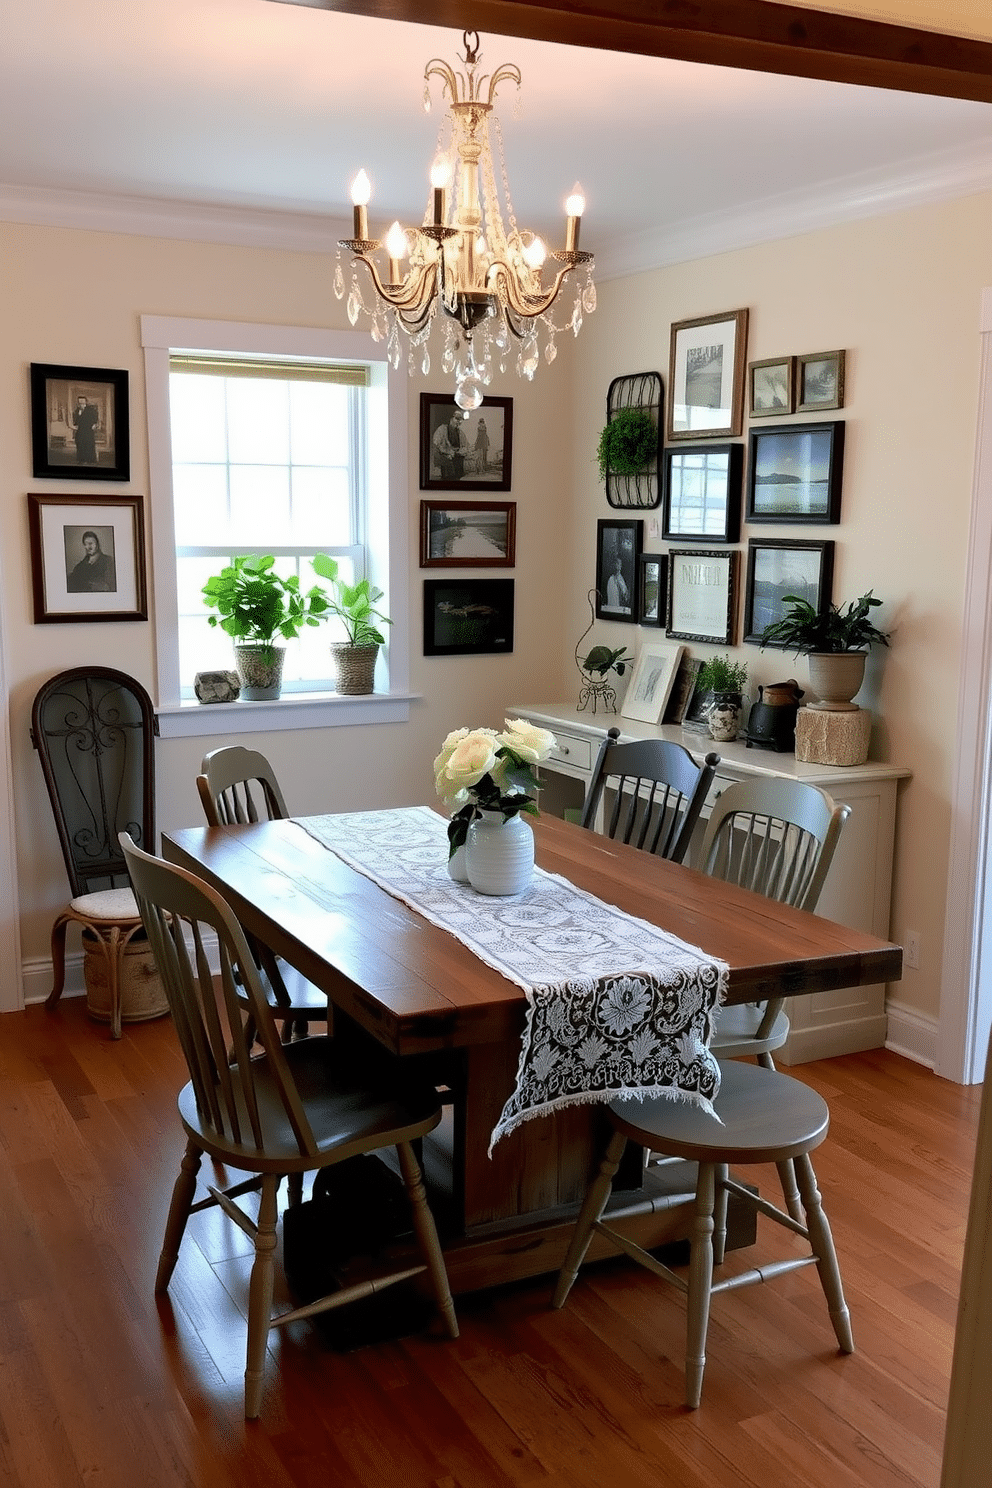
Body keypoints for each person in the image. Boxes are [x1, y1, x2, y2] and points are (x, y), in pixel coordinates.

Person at [432, 413, 466, 481]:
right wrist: (448, 451)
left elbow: (464, 445)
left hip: (457, 458)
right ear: (451, 419)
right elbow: (436, 443)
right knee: (448, 479)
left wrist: (460, 451)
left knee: (458, 478)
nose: (458, 421)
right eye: (456, 419)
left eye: (460, 420)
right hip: (446, 458)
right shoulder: (442, 429)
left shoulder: (460, 432)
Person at [71, 395, 100, 465]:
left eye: (82, 401)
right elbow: (76, 420)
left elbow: (96, 417)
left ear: (85, 401)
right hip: (80, 430)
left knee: (88, 444)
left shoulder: (91, 409)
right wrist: (74, 425)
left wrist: (94, 424)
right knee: (80, 444)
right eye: (79, 401)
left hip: (88, 430)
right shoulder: (77, 410)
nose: (81, 402)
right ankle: (81, 459)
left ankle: (90, 460)